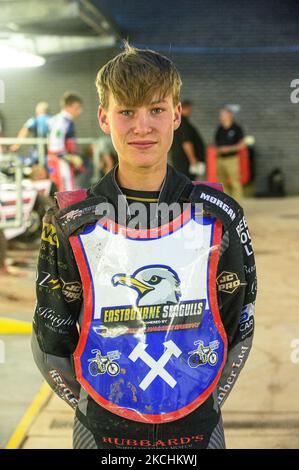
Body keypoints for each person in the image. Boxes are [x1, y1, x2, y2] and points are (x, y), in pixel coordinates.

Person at [31, 43, 257, 450]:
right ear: (103, 117)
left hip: (198, 429)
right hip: (101, 431)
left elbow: (239, 324)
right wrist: (99, 408)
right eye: (126, 112)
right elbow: (51, 341)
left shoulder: (219, 215)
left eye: (156, 110)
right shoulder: (69, 222)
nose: (142, 127)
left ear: (175, 114)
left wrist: (202, 402)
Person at [47, 92, 83, 192]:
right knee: (66, 189)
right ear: (69, 106)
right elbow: (55, 145)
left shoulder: (64, 120)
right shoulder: (62, 121)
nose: (80, 111)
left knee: (67, 187)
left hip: (63, 159)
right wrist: (70, 157)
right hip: (60, 161)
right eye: (77, 107)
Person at [215, 107, 246, 201]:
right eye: (220, 115)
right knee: (222, 183)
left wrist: (229, 149)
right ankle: (226, 204)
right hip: (220, 159)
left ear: (230, 115)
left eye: (223, 115)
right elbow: (216, 143)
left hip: (232, 159)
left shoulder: (236, 128)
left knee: (235, 182)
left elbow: (242, 145)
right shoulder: (219, 129)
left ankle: (237, 205)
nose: (221, 117)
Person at [170, 99, 205, 179]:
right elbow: (186, 142)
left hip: (179, 159)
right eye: (190, 108)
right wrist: (192, 159)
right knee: (187, 182)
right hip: (185, 162)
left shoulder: (177, 123)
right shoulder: (184, 123)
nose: (191, 111)